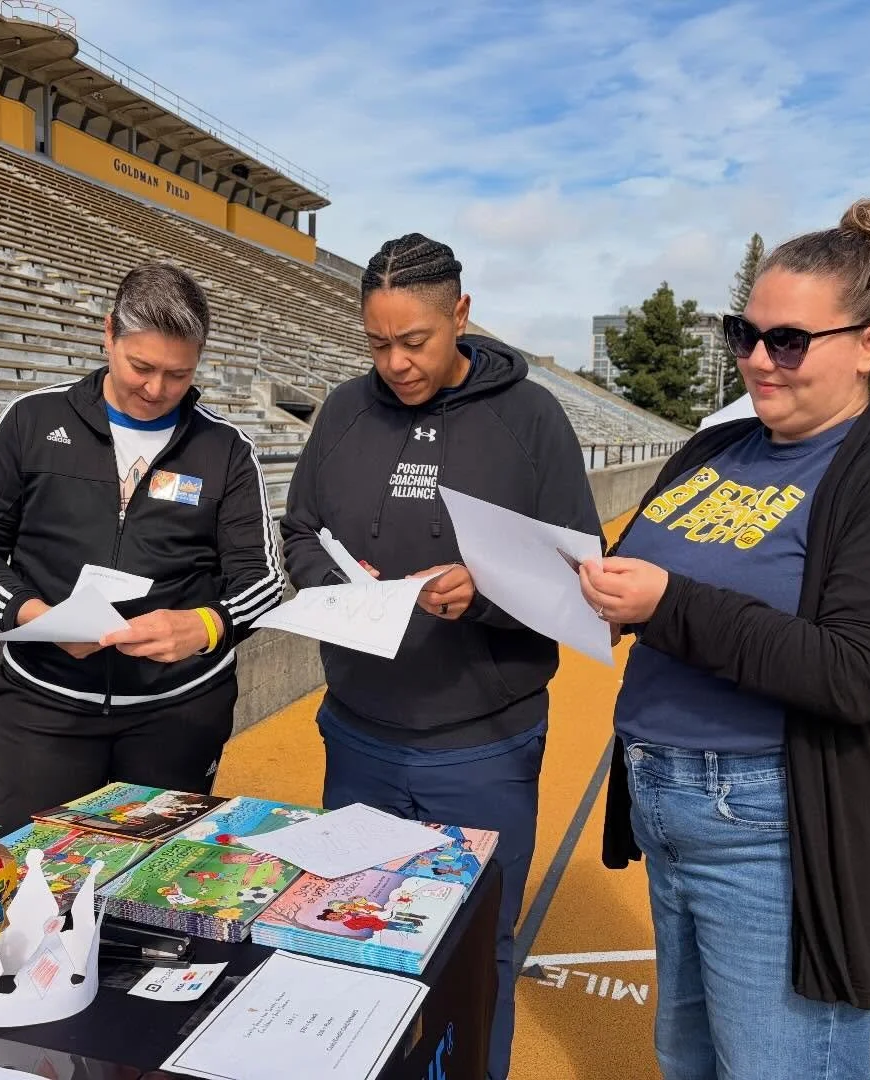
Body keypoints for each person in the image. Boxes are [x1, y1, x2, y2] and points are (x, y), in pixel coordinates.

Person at [580, 200, 870, 1079]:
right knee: (687, 1058)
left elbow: (860, 672)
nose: (757, 359)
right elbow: (638, 579)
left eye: (789, 341)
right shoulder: (715, 449)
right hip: (665, 801)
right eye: (745, 333)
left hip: (778, 826)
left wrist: (667, 605)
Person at [279, 233, 600, 1080]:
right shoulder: (343, 411)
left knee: (475, 947)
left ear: (460, 314)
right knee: (352, 936)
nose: (396, 364)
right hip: (359, 737)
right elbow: (299, 532)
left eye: (414, 341)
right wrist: (343, 583)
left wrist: (481, 590)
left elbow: (579, 570)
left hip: (483, 747)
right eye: (377, 343)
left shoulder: (532, 418)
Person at [0, 262, 286, 830]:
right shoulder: (30, 420)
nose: (156, 390)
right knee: (35, 868)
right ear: (109, 334)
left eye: (178, 374)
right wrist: (37, 617)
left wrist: (205, 625)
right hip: (44, 709)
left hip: (179, 714)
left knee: (156, 875)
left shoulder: (225, 449)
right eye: (141, 367)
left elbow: (263, 579)